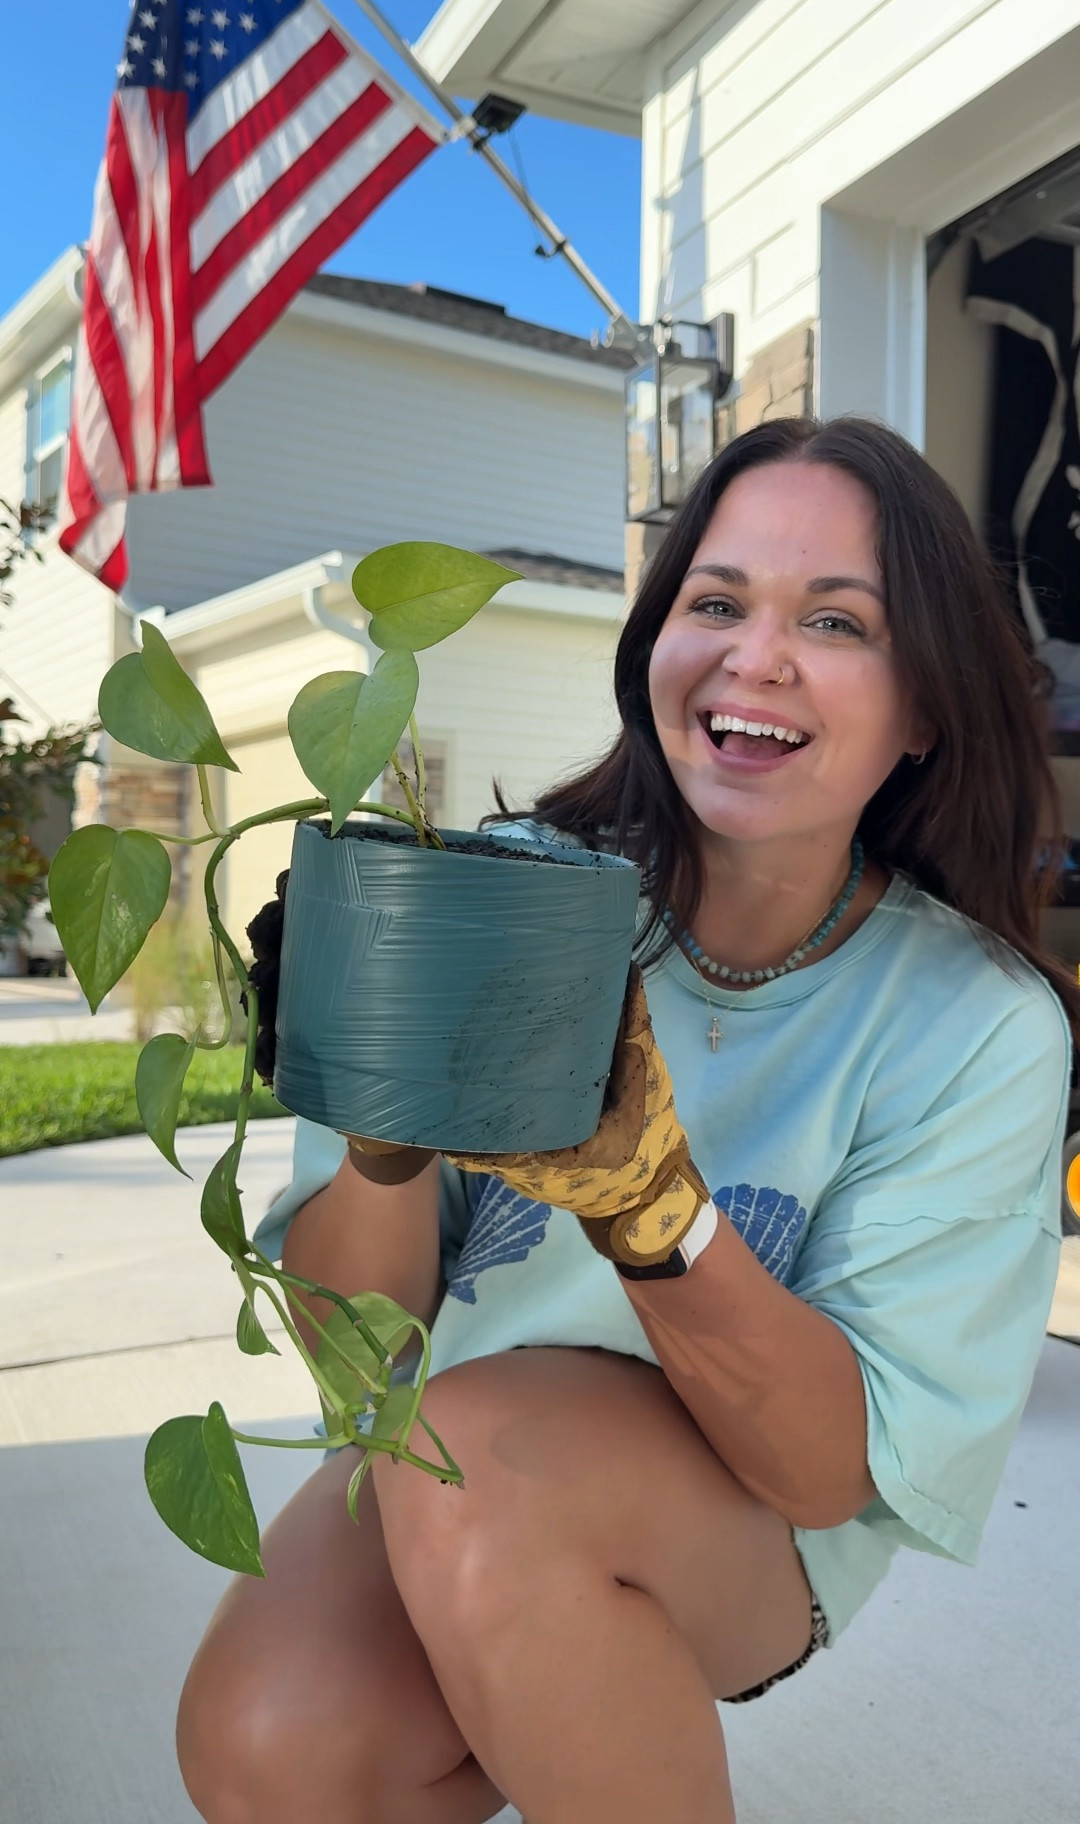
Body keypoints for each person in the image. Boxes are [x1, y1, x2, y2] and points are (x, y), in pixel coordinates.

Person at [176, 416, 1075, 1824]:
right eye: (716, 602)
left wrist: (652, 1209)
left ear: (927, 709)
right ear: (655, 643)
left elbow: (824, 1472)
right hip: (454, 1462)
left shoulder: (977, 1023)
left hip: (756, 1513)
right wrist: (380, 1128)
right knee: (269, 1741)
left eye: (836, 621)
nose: (754, 656)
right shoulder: (510, 895)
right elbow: (365, 1379)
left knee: (487, 1461)